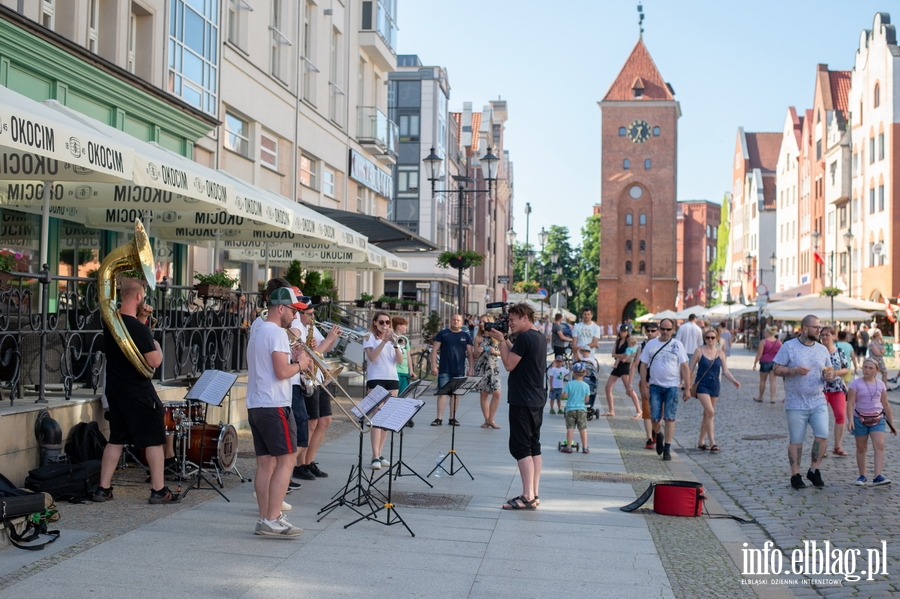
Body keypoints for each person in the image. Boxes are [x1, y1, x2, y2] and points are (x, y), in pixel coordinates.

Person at [93, 278, 179, 505]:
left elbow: (128, 342)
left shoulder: (112, 324)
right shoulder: (138, 329)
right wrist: (157, 345)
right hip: (139, 392)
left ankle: (103, 489)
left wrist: (142, 320)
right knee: (154, 440)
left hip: (115, 390)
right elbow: (154, 361)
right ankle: (159, 490)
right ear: (139, 297)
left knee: (116, 439)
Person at [245, 286, 311, 537]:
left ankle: (265, 518)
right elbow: (282, 372)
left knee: (265, 464)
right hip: (274, 404)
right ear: (281, 308)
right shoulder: (277, 333)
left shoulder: (258, 327)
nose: (295, 316)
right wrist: (300, 363)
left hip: (257, 403)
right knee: (287, 460)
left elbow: (271, 362)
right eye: (293, 310)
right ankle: (272, 518)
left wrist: (291, 358)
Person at [488, 303, 546, 510]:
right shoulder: (538, 336)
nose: (509, 323)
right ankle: (534, 493)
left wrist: (502, 341)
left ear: (524, 318)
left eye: (512, 320)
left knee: (521, 448)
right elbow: (521, 356)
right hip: (536, 399)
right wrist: (505, 342)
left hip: (523, 399)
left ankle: (527, 496)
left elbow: (509, 364)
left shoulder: (523, 338)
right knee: (534, 447)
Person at [773, 314, 831, 489]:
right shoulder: (789, 347)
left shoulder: (822, 349)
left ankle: (814, 470)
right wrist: (794, 370)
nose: (819, 330)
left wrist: (829, 375)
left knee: (822, 435)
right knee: (797, 440)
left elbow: (829, 370)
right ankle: (795, 475)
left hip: (818, 400)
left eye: (820, 327)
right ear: (805, 329)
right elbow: (776, 369)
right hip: (795, 402)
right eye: (816, 327)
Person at [291, 302, 343, 481]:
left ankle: (310, 461)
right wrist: (327, 340)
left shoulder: (309, 325)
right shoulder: (296, 326)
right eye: (310, 314)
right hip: (308, 379)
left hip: (319, 377)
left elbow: (324, 348)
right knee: (311, 423)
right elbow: (310, 355)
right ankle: (301, 464)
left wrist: (332, 338)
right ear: (299, 313)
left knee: (325, 420)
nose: (313, 317)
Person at [639, 318, 690, 462]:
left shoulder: (677, 345)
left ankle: (667, 448)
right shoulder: (651, 344)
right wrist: (644, 386)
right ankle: (658, 434)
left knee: (669, 418)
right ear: (659, 329)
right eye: (663, 329)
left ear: (673, 330)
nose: (665, 332)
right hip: (655, 386)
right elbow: (643, 365)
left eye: (668, 329)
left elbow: (685, 367)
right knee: (655, 418)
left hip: (672, 386)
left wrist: (687, 387)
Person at [688, 328, 740, 453]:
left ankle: (701, 441)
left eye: (712, 337)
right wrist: (685, 384)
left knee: (707, 414)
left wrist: (734, 380)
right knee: (711, 412)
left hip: (715, 385)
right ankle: (712, 442)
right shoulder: (699, 351)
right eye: (708, 337)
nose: (710, 340)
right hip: (702, 385)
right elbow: (690, 369)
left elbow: (725, 371)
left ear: (717, 339)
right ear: (704, 338)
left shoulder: (720, 353)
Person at [363, 311, 403, 469]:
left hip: (392, 379)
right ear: (374, 323)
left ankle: (379, 453)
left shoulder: (393, 339)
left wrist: (394, 343)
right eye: (381, 322)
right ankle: (374, 456)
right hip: (376, 378)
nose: (385, 325)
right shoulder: (368, 337)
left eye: (387, 322)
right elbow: (372, 357)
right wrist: (383, 341)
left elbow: (399, 361)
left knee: (386, 419)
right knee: (376, 418)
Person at [847, 358, 896, 486]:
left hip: (878, 419)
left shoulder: (880, 385)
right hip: (860, 419)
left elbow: (885, 404)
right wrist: (850, 420)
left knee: (879, 445)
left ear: (876, 370)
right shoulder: (855, 384)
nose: (867, 370)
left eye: (870, 368)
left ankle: (877, 476)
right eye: (865, 367)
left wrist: (892, 424)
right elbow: (851, 403)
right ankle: (862, 476)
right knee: (861, 447)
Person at [430, 314, 474, 426]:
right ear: (450, 321)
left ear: (461, 323)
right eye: (454, 319)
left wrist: (471, 369)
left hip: (459, 369)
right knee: (442, 394)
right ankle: (438, 418)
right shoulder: (443, 334)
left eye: (458, 320)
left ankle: (452, 418)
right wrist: (433, 366)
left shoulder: (466, 336)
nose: (455, 322)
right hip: (445, 368)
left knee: (455, 395)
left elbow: (470, 353)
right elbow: (434, 350)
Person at [820, 326, 851, 458]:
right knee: (821, 418)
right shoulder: (817, 351)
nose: (825, 337)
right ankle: (822, 447)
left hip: (837, 388)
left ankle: (837, 446)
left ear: (833, 336)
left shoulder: (839, 351)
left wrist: (835, 373)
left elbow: (846, 369)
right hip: (821, 388)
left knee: (840, 416)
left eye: (827, 335)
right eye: (822, 335)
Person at [603, 326, 641, 418]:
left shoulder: (630, 342)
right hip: (617, 366)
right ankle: (611, 411)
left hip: (625, 366)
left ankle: (639, 410)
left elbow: (632, 354)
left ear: (628, 332)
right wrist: (621, 356)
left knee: (629, 389)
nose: (623, 332)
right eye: (621, 331)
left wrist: (620, 356)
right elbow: (613, 354)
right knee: (608, 388)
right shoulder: (617, 341)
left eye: (625, 331)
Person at [632, 323, 659, 449]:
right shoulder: (642, 347)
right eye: (648, 331)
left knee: (658, 413)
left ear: (657, 331)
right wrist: (629, 384)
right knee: (647, 411)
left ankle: (655, 432)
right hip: (646, 382)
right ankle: (649, 438)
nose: (650, 333)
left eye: (653, 331)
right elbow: (635, 364)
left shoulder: (663, 345)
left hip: (660, 383)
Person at [474, 315, 502, 429]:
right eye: (480, 322)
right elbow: (474, 355)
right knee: (484, 394)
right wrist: (478, 351)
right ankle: (487, 420)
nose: (481, 324)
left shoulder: (496, 337)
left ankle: (491, 419)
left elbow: (503, 352)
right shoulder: (478, 338)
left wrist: (495, 351)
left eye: (484, 322)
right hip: (482, 368)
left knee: (497, 393)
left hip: (493, 367)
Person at [560, 363, 590, 454]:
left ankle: (569, 447)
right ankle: (585, 447)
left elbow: (564, 396)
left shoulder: (569, 384)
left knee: (570, 428)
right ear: (585, 373)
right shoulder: (586, 386)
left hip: (570, 410)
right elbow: (587, 399)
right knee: (583, 429)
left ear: (573, 373)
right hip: (581, 410)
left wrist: (564, 397)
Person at [752, 327, 782, 403]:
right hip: (774, 363)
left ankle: (760, 397)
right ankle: (772, 398)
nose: (764, 333)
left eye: (765, 332)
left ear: (768, 333)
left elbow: (759, 354)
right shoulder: (778, 342)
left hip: (765, 362)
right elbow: (781, 354)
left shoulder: (763, 342)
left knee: (762, 380)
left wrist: (755, 363)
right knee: (773, 381)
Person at [392, 315, 416, 394]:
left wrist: (411, 370)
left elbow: (408, 355)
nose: (406, 327)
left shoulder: (405, 339)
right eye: (405, 325)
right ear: (399, 326)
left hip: (405, 372)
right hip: (396, 371)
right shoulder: (391, 338)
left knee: (403, 394)